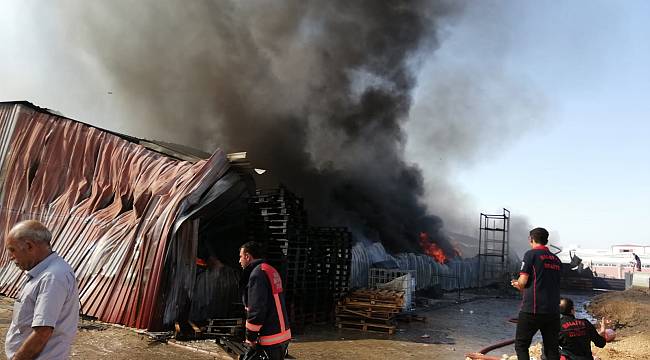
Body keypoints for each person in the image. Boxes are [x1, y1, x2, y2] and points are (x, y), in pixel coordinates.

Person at [4, 220, 80, 360]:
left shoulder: (52, 277)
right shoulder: (44, 273)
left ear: (29, 246)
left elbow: (42, 332)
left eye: (13, 250)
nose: (11, 258)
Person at [511, 227, 562, 360]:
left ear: (531, 239)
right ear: (546, 240)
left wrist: (517, 284)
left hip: (532, 309)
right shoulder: (556, 259)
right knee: (552, 348)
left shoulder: (531, 254)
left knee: (521, 345)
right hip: (553, 311)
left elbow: (523, 282)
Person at [239, 241, 291, 360]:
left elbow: (257, 309)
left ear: (247, 256)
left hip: (270, 337)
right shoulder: (270, 270)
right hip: (281, 335)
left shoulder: (257, 275)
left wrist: (250, 338)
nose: (239, 261)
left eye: (240, 257)